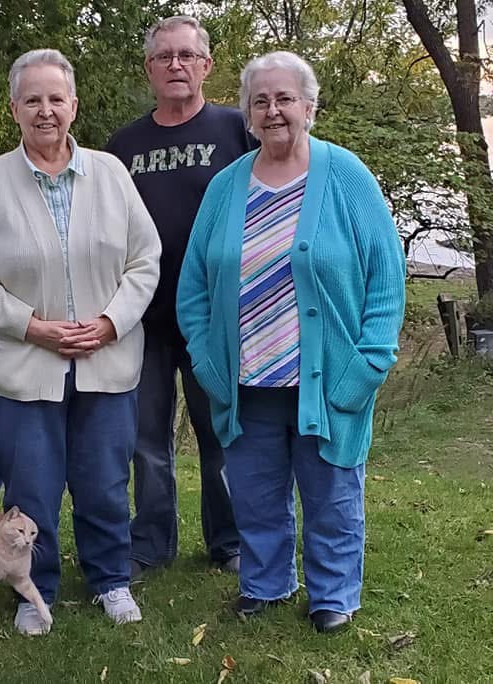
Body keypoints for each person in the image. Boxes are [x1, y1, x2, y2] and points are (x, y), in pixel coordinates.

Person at [176, 51, 406, 633]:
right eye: (261, 101)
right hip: (246, 379)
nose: (273, 111)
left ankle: (333, 595)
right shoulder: (226, 186)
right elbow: (193, 286)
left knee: (331, 494)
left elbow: (386, 276)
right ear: (248, 114)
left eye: (284, 99)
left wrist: (370, 361)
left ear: (309, 106)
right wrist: (207, 361)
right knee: (254, 493)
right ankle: (265, 583)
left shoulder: (346, 175)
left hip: (327, 378)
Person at [0, 49, 161, 636]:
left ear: (74, 106)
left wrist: (112, 322)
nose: (46, 111)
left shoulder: (110, 174)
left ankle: (110, 579)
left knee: (105, 482)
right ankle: (33, 590)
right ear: (14, 109)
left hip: (106, 360)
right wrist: (32, 326)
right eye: (33, 100)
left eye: (56, 99)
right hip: (21, 364)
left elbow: (145, 261)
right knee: (31, 489)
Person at [105, 16, 254, 577]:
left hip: (215, 315)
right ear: (149, 68)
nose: (175, 65)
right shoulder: (124, 145)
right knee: (146, 439)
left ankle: (230, 541)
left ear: (206, 65)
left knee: (221, 433)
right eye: (164, 56)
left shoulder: (237, 129)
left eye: (186, 55)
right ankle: (150, 542)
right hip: (141, 316)